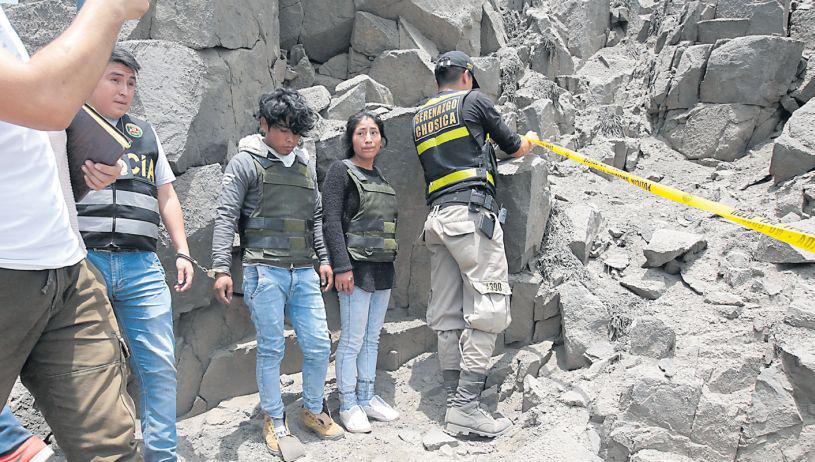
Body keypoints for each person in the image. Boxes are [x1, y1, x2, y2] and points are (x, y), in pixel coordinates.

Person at [0, 0, 149, 460]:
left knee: (113, 447)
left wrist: (75, 172)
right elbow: (45, 99)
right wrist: (111, 6)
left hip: (64, 264)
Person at [412, 51, 539, 438]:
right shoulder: (474, 101)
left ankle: (454, 402)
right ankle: (467, 406)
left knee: (448, 313)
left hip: (437, 223)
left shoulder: (421, 117)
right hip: (471, 220)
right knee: (489, 308)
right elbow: (515, 146)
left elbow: (458, 154)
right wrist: (530, 140)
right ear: (467, 76)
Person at [211, 88, 344, 457]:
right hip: (262, 271)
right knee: (270, 349)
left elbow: (314, 217)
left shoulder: (303, 165)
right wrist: (221, 267)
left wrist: (324, 258)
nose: (291, 140)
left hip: (303, 271)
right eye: (284, 131)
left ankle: (312, 409)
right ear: (264, 124)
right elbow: (225, 216)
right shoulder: (245, 162)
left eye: (298, 133)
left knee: (319, 344)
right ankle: (274, 417)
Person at [322, 111, 400, 433]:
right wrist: (341, 266)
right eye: (360, 133)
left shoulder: (382, 178)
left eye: (373, 133)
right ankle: (348, 402)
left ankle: (367, 396)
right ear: (351, 139)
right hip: (354, 269)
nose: (368, 139)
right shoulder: (340, 171)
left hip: (382, 270)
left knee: (372, 338)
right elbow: (330, 221)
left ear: (381, 139)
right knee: (352, 340)